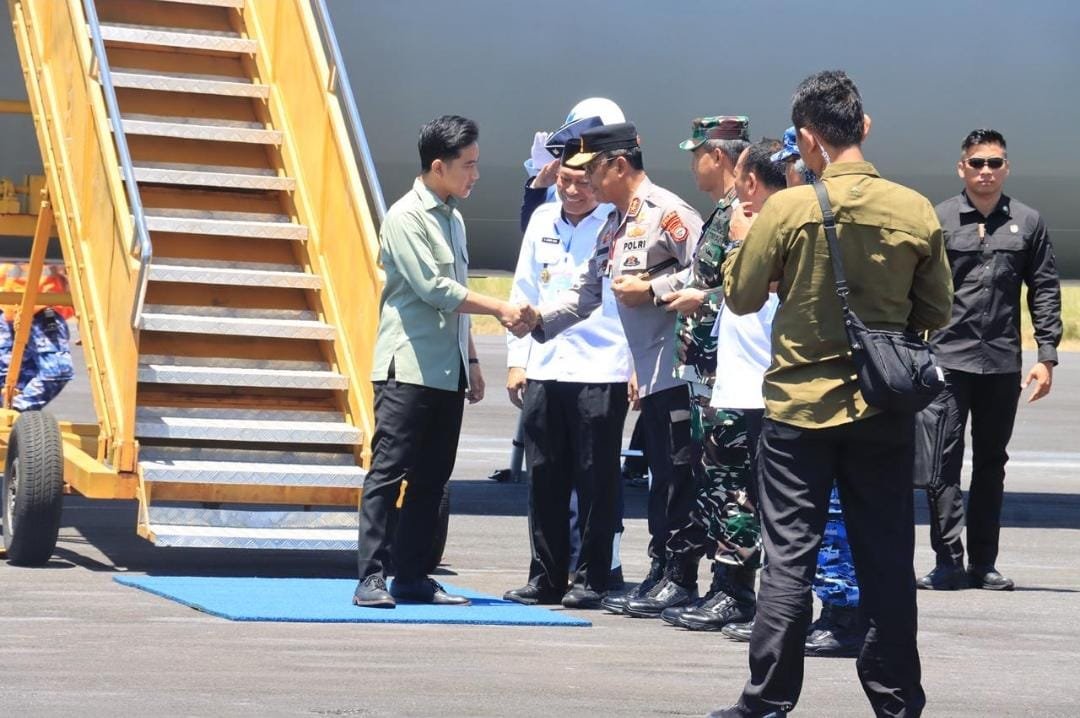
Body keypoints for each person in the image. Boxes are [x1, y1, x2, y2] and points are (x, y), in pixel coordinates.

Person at [710, 71, 953, 718]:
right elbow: (937, 309)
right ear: (862, 127)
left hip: (799, 409)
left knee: (789, 560)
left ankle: (767, 700)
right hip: (882, 407)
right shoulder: (913, 209)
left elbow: (740, 296)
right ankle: (897, 700)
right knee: (887, 560)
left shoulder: (788, 209)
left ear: (808, 139)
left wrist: (741, 247)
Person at [515, 122, 705, 616]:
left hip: (675, 366)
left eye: (594, 172)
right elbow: (586, 293)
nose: (587, 184)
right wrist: (538, 321)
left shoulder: (667, 212)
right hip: (647, 366)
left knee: (674, 477)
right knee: (659, 478)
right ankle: (662, 574)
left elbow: (714, 270)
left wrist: (653, 290)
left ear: (618, 166)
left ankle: (679, 577)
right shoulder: (615, 224)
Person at [353, 115, 532, 609]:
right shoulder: (406, 216)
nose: (476, 174)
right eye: (467, 165)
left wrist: (471, 358)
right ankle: (371, 576)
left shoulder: (453, 218)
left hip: (446, 370)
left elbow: (456, 298)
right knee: (389, 472)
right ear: (438, 166)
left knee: (432, 478)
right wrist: (499, 307)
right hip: (408, 368)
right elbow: (435, 289)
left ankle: (412, 576)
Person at [720, 129, 865, 657]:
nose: (785, 178)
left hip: (821, 386)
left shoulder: (816, 217)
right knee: (799, 515)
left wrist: (745, 243)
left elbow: (751, 289)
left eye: (791, 168)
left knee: (828, 513)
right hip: (810, 384)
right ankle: (802, 614)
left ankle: (844, 615)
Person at [917, 128, 1062, 592]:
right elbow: (915, 285)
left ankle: (984, 563)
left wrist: (1046, 356)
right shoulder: (938, 219)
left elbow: (1044, 290)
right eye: (977, 162)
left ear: (1006, 168)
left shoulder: (1028, 222)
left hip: (1001, 363)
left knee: (991, 464)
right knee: (941, 464)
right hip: (948, 360)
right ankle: (947, 561)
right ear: (962, 167)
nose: (986, 171)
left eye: (994, 163)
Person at [502, 138, 632, 609]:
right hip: (546, 361)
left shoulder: (618, 223)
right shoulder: (542, 220)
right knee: (544, 476)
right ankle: (546, 575)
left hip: (602, 364)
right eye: (564, 181)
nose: (573, 191)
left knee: (596, 478)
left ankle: (593, 576)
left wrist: (634, 366)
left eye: (582, 182)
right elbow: (523, 289)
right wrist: (517, 359)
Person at [646, 116, 757, 627]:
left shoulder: (745, 214)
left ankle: (736, 590)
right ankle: (719, 584)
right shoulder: (723, 213)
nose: (693, 165)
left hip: (728, 371)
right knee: (709, 479)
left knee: (731, 482)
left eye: (697, 155)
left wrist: (701, 299)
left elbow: (752, 288)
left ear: (718, 156)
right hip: (706, 370)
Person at [0, 263, 74, 411]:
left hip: (42, 310)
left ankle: (14, 411)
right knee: (8, 377)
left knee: (56, 370)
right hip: (9, 311)